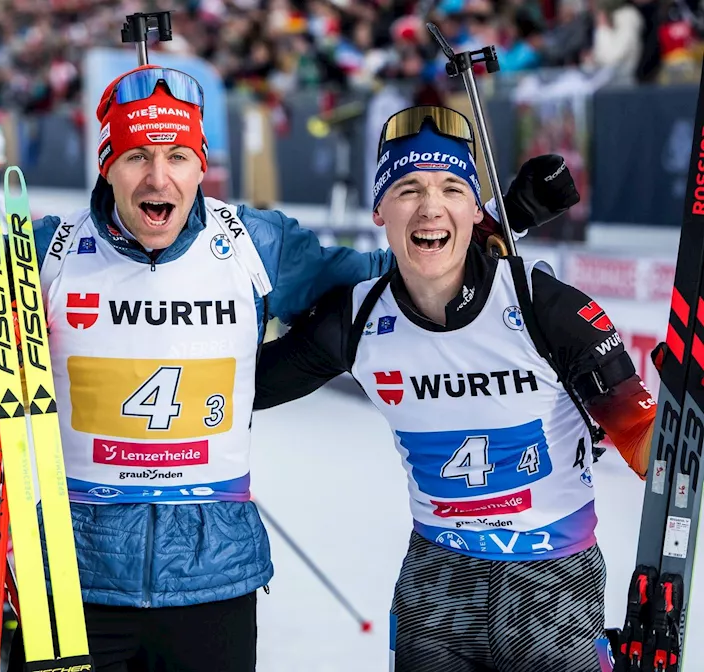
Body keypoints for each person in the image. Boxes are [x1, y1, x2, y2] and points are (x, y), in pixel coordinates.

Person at [17, 67, 578, 671]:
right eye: (136, 157)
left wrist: (496, 223)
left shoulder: (253, 242)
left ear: (202, 165)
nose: (159, 177)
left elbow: (390, 277)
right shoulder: (46, 250)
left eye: (178, 155)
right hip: (71, 583)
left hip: (213, 579)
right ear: (106, 164)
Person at [252, 105, 652, 672]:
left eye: (450, 188)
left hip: (553, 579)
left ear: (475, 208)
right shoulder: (357, 319)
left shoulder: (544, 306)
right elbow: (243, 387)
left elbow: (647, 445)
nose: (430, 206)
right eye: (408, 188)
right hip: (435, 582)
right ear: (378, 210)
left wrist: (672, 427)